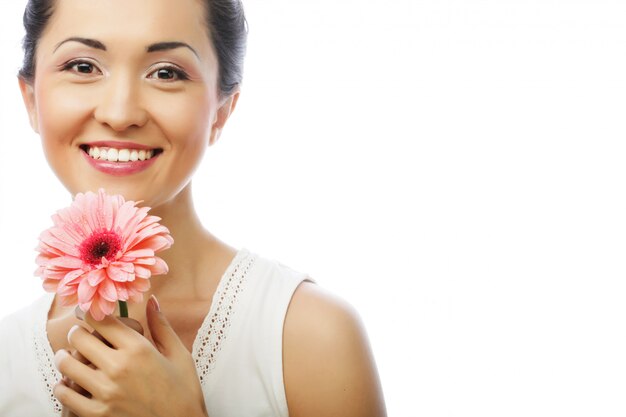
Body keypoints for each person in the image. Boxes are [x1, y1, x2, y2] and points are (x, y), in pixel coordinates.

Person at [0, 0, 387, 416]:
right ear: (31, 99)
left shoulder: (311, 336)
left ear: (222, 111)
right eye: (82, 66)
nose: (120, 113)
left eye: (166, 72)